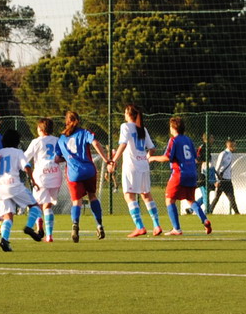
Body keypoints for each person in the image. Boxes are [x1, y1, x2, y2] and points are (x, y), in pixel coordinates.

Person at [149, 116, 211, 236]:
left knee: (169, 200)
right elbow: (195, 157)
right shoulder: (188, 140)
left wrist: (152, 158)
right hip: (192, 173)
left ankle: (176, 229)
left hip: (179, 173)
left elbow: (167, 157)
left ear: (173, 127)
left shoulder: (174, 140)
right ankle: (205, 220)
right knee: (191, 200)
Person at [55, 110, 110, 243]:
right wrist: (106, 159)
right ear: (78, 120)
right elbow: (96, 143)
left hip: (73, 173)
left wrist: (68, 159)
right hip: (89, 170)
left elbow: (57, 158)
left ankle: (75, 225)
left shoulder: (61, 139)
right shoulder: (85, 132)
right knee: (92, 196)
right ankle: (99, 225)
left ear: (66, 122)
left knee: (76, 201)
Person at [109, 104, 162, 237]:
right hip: (143, 165)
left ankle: (140, 227)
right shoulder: (142, 128)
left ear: (129, 114)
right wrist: (147, 157)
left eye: (125, 112)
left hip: (131, 166)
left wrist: (114, 160)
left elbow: (123, 144)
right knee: (146, 195)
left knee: (129, 195)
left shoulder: (125, 126)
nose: (124, 115)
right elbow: (152, 148)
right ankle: (156, 225)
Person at [0, 129, 44, 252]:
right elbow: (26, 167)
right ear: (17, 142)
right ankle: (29, 227)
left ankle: (4, 240)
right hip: (13, 184)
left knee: (7, 216)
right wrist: (33, 180)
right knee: (35, 206)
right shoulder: (18, 152)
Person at [24, 117, 62, 242]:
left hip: (41, 176)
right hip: (55, 175)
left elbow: (25, 158)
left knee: (36, 205)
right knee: (48, 205)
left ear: (40, 129)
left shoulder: (36, 142)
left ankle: (39, 223)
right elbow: (64, 156)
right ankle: (49, 236)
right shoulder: (58, 140)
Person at [210, 139, 240, 215]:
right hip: (222, 179)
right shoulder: (223, 154)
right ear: (229, 145)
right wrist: (217, 180)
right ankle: (209, 211)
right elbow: (217, 167)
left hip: (228, 179)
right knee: (217, 197)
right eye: (234, 145)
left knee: (231, 197)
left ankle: (237, 212)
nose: (235, 147)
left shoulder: (230, 154)